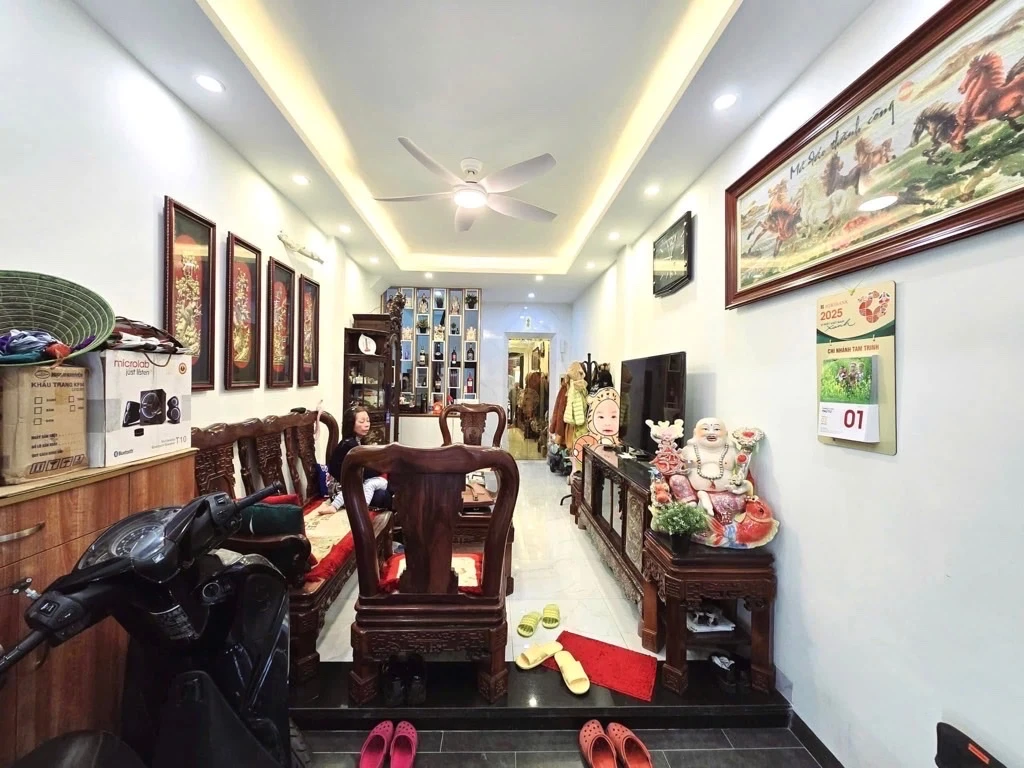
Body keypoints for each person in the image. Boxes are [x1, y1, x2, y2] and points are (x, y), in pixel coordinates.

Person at [326, 406, 392, 510]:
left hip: (357, 483)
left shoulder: (358, 441)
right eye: (361, 421)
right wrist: (383, 467)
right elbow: (364, 472)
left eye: (368, 421)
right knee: (383, 495)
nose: (366, 424)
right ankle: (360, 511)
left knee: (387, 490)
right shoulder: (349, 445)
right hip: (342, 488)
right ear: (351, 424)